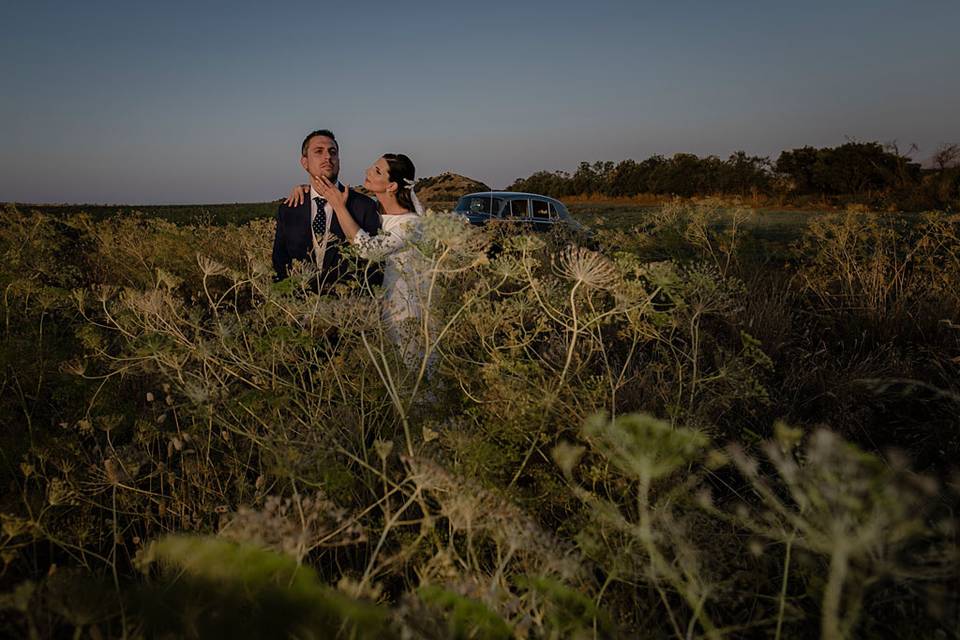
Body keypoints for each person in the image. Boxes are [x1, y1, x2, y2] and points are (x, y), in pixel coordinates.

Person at [286, 154, 426, 365]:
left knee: (411, 369)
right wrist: (307, 190)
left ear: (392, 186)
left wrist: (339, 207)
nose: (368, 171)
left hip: (405, 310)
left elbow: (369, 250)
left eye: (377, 171)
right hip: (378, 309)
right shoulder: (378, 214)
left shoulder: (411, 224)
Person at [272, 129, 383, 292]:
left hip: (348, 308)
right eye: (318, 151)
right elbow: (280, 260)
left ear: (339, 160)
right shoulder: (289, 209)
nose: (327, 157)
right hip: (300, 308)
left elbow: (375, 266)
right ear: (305, 162)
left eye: (333, 152)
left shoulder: (363, 205)